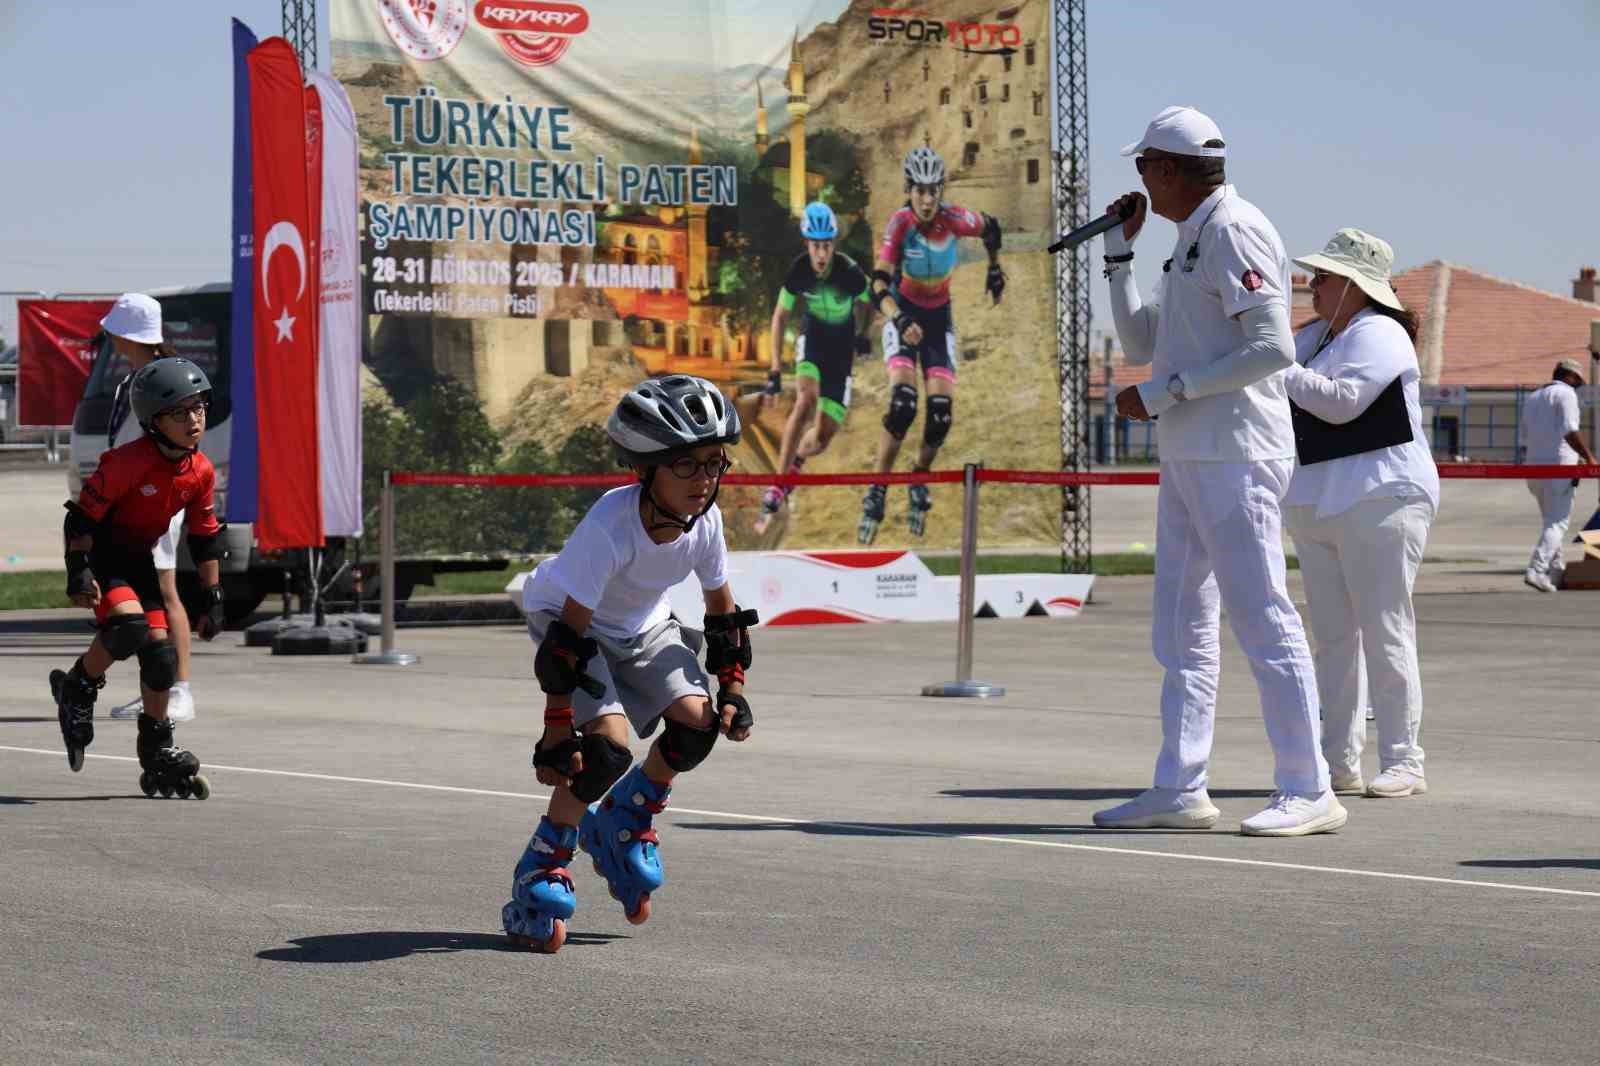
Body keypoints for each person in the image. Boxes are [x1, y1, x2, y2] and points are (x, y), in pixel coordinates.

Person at [1093, 106, 1343, 836]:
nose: (1138, 178)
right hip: (1191, 456)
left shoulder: (1236, 229)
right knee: (1183, 627)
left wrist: (1166, 392)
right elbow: (1145, 339)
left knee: (1263, 614)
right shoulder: (1188, 242)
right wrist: (1117, 255)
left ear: (1167, 170)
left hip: (1238, 455)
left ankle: (1308, 785)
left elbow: (1273, 350)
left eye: (1142, 165)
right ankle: (1180, 786)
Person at [504, 375, 757, 953]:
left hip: (642, 625)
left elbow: (722, 615)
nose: (704, 480)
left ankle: (626, 818)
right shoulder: (611, 525)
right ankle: (542, 865)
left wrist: (733, 689)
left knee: (697, 724)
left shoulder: (706, 522)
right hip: (572, 622)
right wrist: (555, 729)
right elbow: (567, 641)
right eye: (686, 466)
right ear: (648, 468)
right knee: (604, 751)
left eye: (714, 463)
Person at [1280, 229, 1440, 800]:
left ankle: (1404, 759)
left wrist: (1276, 366)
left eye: (1321, 278)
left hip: (1381, 497)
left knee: (1384, 628)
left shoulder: (1381, 332)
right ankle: (1338, 760)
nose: (1311, 285)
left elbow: (1341, 402)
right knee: (1333, 637)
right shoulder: (1316, 336)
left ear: (1353, 284)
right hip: (1319, 499)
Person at [52, 358, 226, 797]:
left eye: (199, 407)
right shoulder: (126, 463)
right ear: (153, 420)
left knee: (162, 658)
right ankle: (77, 687)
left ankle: (156, 748)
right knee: (129, 626)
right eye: (180, 412)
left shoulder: (200, 470)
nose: (194, 420)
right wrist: (79, 571)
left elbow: (205, 536)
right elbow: (81, 522)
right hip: (104, 559)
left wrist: (213, 594)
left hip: (138, 563)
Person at [858, 145, 1006, 544]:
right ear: (909, 190)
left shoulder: (954, 219)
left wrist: (995, 269)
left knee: (940, 414)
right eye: (919, 190)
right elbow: (877, 286)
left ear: (941, 191)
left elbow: (992, 227)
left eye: (933, 191)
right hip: (904, 315)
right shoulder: (900, 224)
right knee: (903, 405)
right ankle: (877, 488)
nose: (926, 199)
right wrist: (900, 318)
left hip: (939, 319)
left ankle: (917, 477)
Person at [97, 293, 199, 723]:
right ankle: (157, 686)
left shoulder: (163, 379)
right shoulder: (140, 376)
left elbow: (178, 443)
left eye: (114, 328)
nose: (109, 335)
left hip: (154, 500)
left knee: (164, 591)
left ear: (126, 334)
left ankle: (180, 689)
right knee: (151, 592)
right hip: (132, 499)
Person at [757, 202, 873, 533]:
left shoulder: (849, 272)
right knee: (806, 399)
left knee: (821, 439)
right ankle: (778, 484)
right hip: (814, 340)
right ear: (807, 244)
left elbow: (868, 303)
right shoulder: (798, 271)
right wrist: (775, 369)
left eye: (826, 246)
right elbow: (779, 317)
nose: (821, 254)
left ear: (834, 245)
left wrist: (863, 334)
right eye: (815, 246)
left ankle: (796, 461)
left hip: (841, 352)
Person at [1518, 358, 1596, 592]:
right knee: (1558, 522)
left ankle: (1556, 570)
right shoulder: (1566, 394)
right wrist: (1590, 457)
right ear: (1570, 377)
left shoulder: (1532, 398)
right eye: (1577, 382)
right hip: (1559, 467)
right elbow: (1569, 431)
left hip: (1533, 468)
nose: (1577, 388)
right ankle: (1537, 569)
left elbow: (1526, 437)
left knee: (1550, 521)